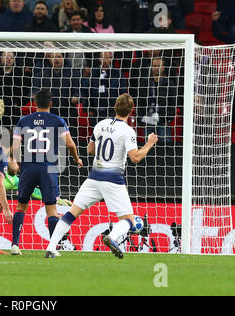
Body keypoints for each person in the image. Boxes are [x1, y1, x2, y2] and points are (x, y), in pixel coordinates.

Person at [45, 93, 159, 259]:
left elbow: (90, 150)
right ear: (131, 111)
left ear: (115, 107)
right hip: (113, 180)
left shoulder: (101, 124)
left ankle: (50, 247)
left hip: (93, 178)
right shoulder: (128, 131)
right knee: (129, 221)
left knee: (72, 213)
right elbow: (135, 158)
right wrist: (149, 143)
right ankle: (112, 237)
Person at [10, 88, 83, 255]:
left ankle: (15, 244)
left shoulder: (23, 120)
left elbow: (14, 147)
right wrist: (76, 158)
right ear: (51, 103)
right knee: (51, 209)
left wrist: (19, 164)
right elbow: (70, 144)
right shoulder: (58, 121)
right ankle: (52, 248)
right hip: (48, 168)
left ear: (34, 103)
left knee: (21, 207)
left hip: (28, 166)